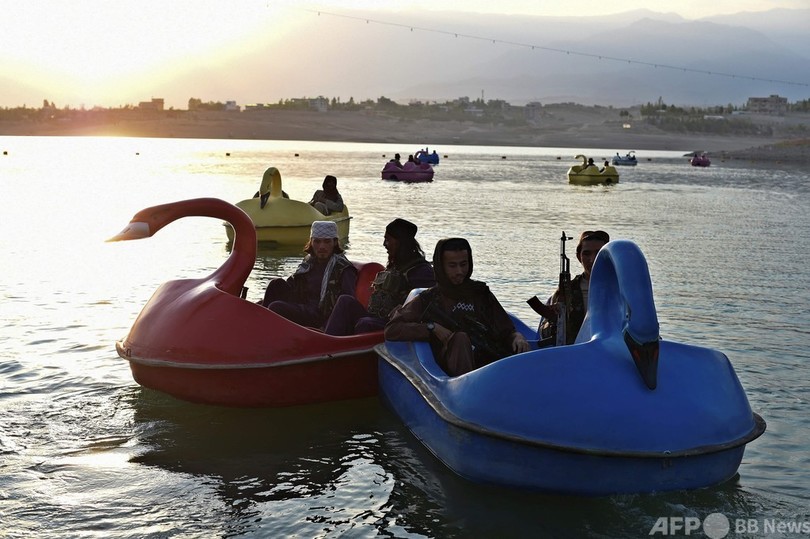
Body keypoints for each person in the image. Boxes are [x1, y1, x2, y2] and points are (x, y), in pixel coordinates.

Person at [385, 237, 529, 377]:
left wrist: (517, 337)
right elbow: (392, 329)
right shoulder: (428, 299)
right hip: (455, 379)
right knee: (460, 338)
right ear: (441, 266)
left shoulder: (481, 293)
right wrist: (431, 328)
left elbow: (506, 329)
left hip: (489, 364)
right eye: (452, 266)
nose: (459, 271)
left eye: (464, 264)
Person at [323, 218, 435, 335]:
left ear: (400, 242)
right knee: (345, 301)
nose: (384, 244)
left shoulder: (422, 271)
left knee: (365, 323)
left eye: (388, 240)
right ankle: (327, 342)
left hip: (395, 325)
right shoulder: (395, 266)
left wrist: (402, 309)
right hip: (375, 317)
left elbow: (427, 306)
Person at [260, 221, 357, 328]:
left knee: (276, 307)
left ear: (334, 242)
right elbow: (293, 284)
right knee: (275, 284)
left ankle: (264, 327)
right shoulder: (309, 262)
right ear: (311, 242)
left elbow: (347, 303)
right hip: (303, 305)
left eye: (327, 242)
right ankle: (259, 323)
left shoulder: (343, 268)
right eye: (317, 242)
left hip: (320, 315)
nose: (322, 246)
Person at [533, 230, 610, 345]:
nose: (592, 259)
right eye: (586, 254)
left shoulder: (620, 288)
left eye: (598, 253)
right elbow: (543, 334)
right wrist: (556, 320)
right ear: (579, 257)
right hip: (573, 353)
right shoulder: (567, 290)